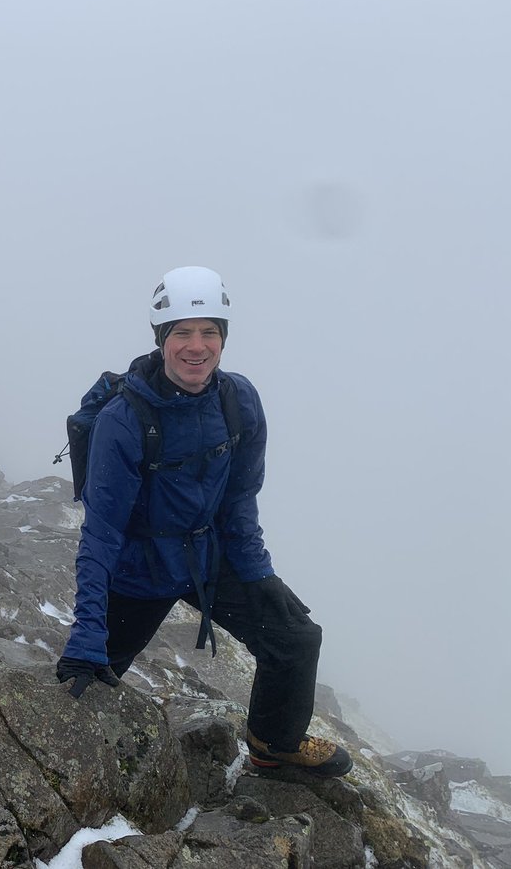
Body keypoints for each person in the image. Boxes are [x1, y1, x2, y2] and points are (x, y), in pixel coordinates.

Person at [55, 265, 352, 778]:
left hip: (208, 556)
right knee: (85, 685)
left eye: (209, 332)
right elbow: (102, 533)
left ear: (224, 338)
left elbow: (239, 498)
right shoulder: (122, 421)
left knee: (296, 638)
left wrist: (259, 573)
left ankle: (272, 745)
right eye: (182, 333)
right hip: (139, 569)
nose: (197, 346)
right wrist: (86, 633)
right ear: (161, 339)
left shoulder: (239, 400)